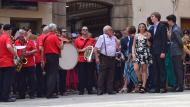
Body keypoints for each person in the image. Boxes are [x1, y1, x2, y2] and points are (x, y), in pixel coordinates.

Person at [95, 25, 119, 95]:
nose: (112, 31)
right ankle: (100, 90)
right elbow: (96, 48)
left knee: (111, 74)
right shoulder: (102, 37)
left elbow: (117, 48)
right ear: (106, 31)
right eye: (111, 30)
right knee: (102, 74)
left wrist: (117, 42)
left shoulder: (114, 37)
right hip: (104, 57)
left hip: (112, 57)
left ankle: (110, 90)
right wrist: (96, 58)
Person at [43, 23, 64, 98]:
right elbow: (61, 47)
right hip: (53, 56)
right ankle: (50, 94)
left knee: (49, 75)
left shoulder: (45, 37)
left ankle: (48, 93)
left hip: (47, 56)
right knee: (53, 75)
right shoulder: (54, 37)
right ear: (54, 29)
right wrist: (61, 41)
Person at [15, 29, 37, 99]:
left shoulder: (30, 41)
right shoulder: (16, 42)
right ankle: (22, 94)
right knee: (21, 80)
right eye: (20, 34)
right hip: (20, 63)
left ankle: (32, 94)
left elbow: (35, 50)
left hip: (30, 63)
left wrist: (29, 52)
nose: (22, 36)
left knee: (31, 79)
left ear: (25, 34)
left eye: (23, 34)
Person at [149, 12, 167, 93]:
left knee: (161, 69)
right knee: (155, 69)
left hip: (160, 51)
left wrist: (163, 52)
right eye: (151, 17)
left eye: (152, 17)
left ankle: (163, 87)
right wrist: (148, 38)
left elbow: (164, 40)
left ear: (157, 17)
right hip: (153, 51)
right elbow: (152, 40)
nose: (151, 18)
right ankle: (157, 87)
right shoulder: (151, 28)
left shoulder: (162, 26)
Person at [74, 26, 95, 95]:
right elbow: (74, 50)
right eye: (83, 30)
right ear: (81, 31)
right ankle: (81, 90)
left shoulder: (91, 40)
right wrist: (82, 50)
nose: (85, 31)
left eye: (86, 29)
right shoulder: (77, 40)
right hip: (80, 60)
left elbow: (94, 48)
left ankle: (90, 90)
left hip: (89, 59)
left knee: (89, 75)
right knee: (81, 75)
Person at [132, 23, 152, 93]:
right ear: (138, 28)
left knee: (144, 70)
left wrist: (147, 38)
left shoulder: (148, 34)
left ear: (145, 27)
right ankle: (140, 80)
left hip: (145, 53)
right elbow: (133, 45)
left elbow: (149, 45)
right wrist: (133, 54)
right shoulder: (136, 35)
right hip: (137, 53)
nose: (141, 28)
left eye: (143, 27)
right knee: (136, 68)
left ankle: (143, 86)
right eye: (140, 27)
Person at [0, 24, 17, 102]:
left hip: (1, 62)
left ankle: (1, 97)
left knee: (2, 81)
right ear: (9, 30)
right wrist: (15, 54)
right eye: (11, 30)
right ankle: (5, 97)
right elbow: (9, 46)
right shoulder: (7, 37)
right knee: (7, 81)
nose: (12, 31)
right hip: (7, 62)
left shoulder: (0, 37)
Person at [167, 14, 184, 92]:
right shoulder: (174, 28)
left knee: (178, 69)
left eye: (168, 20)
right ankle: (178, 85)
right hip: (175, 51)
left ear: (171, 21)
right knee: (176, 69)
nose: (167, 22)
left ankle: (180, 86)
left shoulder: (175, 29)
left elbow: (180, 42)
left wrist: (180, 50)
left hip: (177, 52)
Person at [120, 26, 138, 93]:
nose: (126, 30)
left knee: (131, 72)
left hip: (131, 58)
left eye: (127, 29)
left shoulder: (132, 38)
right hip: (134, 57)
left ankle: (136, 87)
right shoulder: (135, 37)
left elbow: (131, 50)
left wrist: (129, 59)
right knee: (128, 72)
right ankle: (125, 87)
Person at [35, 25, 49, 97]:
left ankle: (42, 92)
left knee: (42, 77)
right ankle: (41, 93)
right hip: (41, 59)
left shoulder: (42, 37)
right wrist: (42, 59)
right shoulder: (42, 37)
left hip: (42, 59)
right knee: (42, 77)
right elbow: (41, 48)